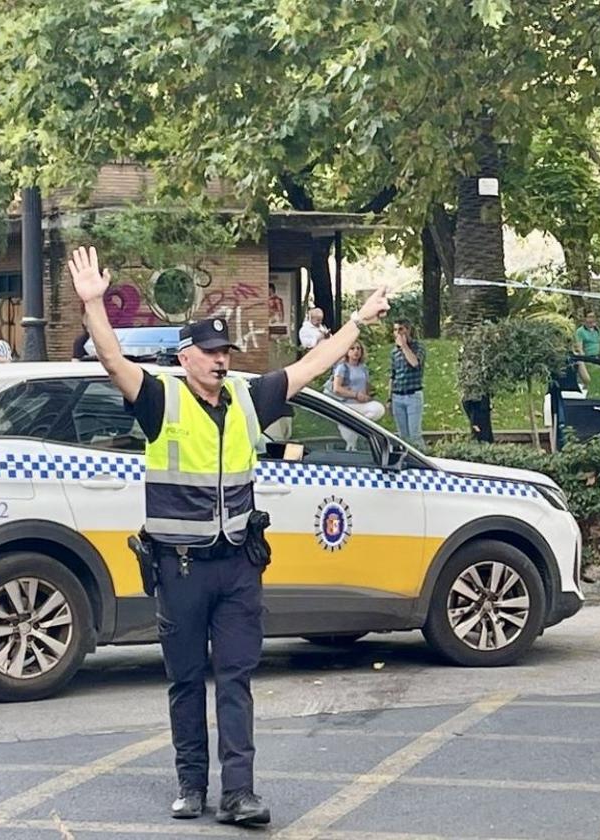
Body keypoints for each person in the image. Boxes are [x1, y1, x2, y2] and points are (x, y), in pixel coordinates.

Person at [68, 245, 389, 826]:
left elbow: (310, 369)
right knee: (186, 679)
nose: (222, 361)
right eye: (212, 353)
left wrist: (357, 323)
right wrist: (93, 304)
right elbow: (112, 360)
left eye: (226, 352)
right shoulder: (159, 397)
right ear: (186, 356)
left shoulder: (246, 397)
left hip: (238, 564)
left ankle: (239, 793)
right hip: (180, 568)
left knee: (236, 679)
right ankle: (192, 785)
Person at [326, 341, 386, 450]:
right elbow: (337, 388)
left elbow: (366, 386)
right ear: (347, 352)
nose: (356, 351)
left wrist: (367, 395)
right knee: (351, 441)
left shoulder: (363, 368)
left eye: (358, 349)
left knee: (378, 409)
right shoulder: (342, 367)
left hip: (361, 405)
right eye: (352, 349)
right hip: (347, 405)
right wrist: (355, 394)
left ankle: (359, 425)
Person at [390, 319, 425, 448]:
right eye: (395, 330)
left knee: (414, 435)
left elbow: (415, 363)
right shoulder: (394, 352)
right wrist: (390, 398)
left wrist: (404, 346)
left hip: (413, 395)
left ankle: (424, 458)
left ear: (408, 330)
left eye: (401, 329)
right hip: (397, 396)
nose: (398, 333)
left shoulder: (418, 347)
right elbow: (393, 376)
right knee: (403, 436)